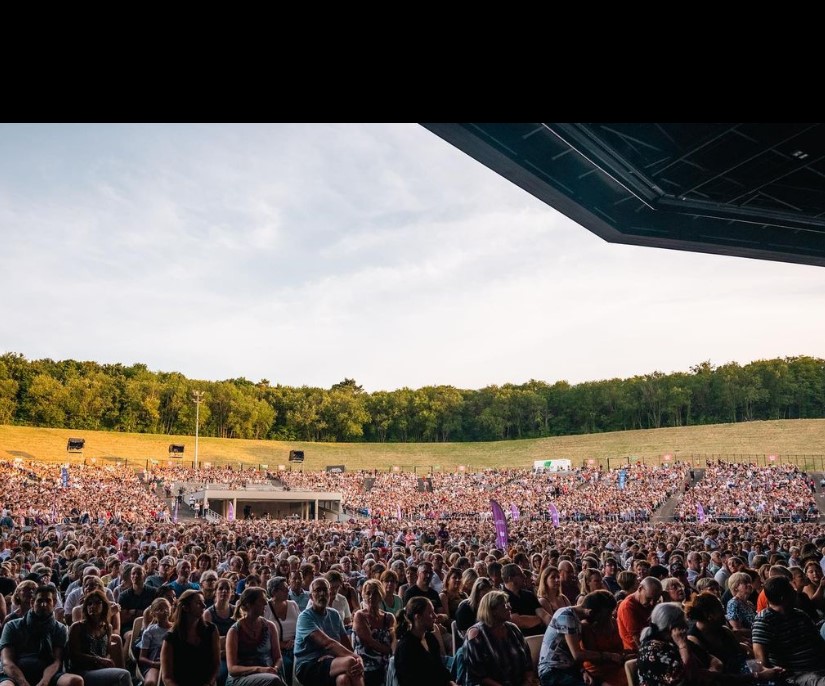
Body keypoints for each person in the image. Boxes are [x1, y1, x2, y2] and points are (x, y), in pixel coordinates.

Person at [0, 585, 82, 686]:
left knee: (75, 681)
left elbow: (56, 661)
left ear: (54, 603)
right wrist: (23, 683)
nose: (43, 604)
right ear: (32, 602)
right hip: (15, 672)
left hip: (49, 673)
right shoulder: (12, 625)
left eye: (48, 601)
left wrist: (45, 681)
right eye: (39, 601)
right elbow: (7, 661)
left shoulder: (59, 628)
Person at [752, 576, 824, 685]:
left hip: (819, 667)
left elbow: (819, 643)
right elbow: (760, 660)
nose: (795, 592)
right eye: (791, 590)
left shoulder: (799, 614)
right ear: (783, 598)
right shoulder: (764, 621)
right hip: (797, 676)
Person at [294, 577, 364, 686]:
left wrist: (353, 655)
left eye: (325, 590)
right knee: (351, 662)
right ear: (311, 596)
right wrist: (357, 658)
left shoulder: (334, 614)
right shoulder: (305, 617)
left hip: (332, 662)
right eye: (318, 590)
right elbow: (328, 644)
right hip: (309, 665)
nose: (322, 594)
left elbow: (346, 644)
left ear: (329, 593)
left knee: (343, 679)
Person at [537, 599, 621, 686]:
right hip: (552, 671)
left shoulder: (577, 618)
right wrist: (609, 656)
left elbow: (573, 656)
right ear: (590, 612)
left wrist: (582, 671)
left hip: (570, 668)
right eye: (600, 618)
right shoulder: (567, 616)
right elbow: (577, 655)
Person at [464, 590, 532, 686]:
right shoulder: (476, 635)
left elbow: (528, 664)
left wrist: (527, 682)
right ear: (492, 611)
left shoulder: (513, 629)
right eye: (504, 605)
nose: (509, 607)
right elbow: (476, 675)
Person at [66, 589, 131, 686]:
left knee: (119, 676)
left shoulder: (107, 627)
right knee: (124, 674)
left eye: (97, 603)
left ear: (104, 606)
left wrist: (106, 660)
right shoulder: (77, 627)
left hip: (100, 669)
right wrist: (98, 659)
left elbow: (107, 652)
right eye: (89, 603)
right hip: (82, 671)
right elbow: (73, 655)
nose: (92, 606)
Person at [225, 587, 284, 686]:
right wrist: (259, 669)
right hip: (241, 677)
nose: (266, 603)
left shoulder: (270, 626)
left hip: (269, 673)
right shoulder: (235, 631)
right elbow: (232, 669)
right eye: (262, 601)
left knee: (274, 678)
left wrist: (275, 668)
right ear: (249, 604)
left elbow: (278, 657)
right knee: (273, 680)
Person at [160, 590, 220, 686]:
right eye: (198, 603)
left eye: (203, 602)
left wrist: (209, 683)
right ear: (186, 608)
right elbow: (167, 677)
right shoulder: (171, 637)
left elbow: (216, 664)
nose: (204, 606)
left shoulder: (211, 630)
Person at [393, 597, 456, 686]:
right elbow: (411, 681)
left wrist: (451, 682)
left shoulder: (430, 638)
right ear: (418, 617)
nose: (435, 616)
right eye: (430, 613)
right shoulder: (406, 647)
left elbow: (440, 669)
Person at [636, 602, 694, 686]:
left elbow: (702, 655)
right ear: (672, 628)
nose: (687, 628)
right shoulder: (653, 650)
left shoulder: (672, 641)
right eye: (683, 624)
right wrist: (683, 646)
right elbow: (684, 680)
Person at [578, 590, 627, 686]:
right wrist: (611, 656)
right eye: (608, 612)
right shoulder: (586, 626)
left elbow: (620, 648)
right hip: (597, 671)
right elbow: (594, 659)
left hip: (616, 666)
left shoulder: (612, 621)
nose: (611, 614)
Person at [352, 580, 394, 686]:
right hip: (365, 662)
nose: (371, 596)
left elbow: (394, 640)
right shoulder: (360, 615)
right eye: (368, 593)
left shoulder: (389, 617)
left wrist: (393, 653)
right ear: (363, 595)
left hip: (386, 661)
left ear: (381, 595)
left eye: (375, 593)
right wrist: (389, 650)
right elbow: (370, 642)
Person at [263, 578, 298, 685]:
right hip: (275, 649)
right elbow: (263, 634)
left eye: (288, 588)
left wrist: (296, 641)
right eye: (284, 589)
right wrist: (281, 645)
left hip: (295, 646)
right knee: (286, 664)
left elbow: (301, 626)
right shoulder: (265, 608)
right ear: (274, 592)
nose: (288, 591)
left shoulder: (293, 604)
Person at [502, 563, 548, 637]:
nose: (524, 576)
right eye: (520, 574)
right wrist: (541, 619)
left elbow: (544, 614)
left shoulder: (528, 594)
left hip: (540, 635)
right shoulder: (502, 598)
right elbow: (519, 622)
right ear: (510, 579)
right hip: (521, 639)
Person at [617, 576, 661, 651]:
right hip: (636, 650)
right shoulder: (627, 606)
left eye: (655, 600)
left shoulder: (648, 603)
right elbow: (637, 639)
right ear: (640, 588)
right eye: (649, 598)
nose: (652, 603)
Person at [137, 598, 172, 686]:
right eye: (160, 609)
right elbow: (142, 658)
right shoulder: (149, 632)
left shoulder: (176, 628)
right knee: (150, 682)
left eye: (167, 608)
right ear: (153, 613)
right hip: (156, 663)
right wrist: (155, 664)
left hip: (173, 662)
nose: (165, 611)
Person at [725, 571, 756, 641]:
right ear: (735, 587)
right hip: (749, 640)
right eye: (745, 583)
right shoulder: (733, 603)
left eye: (750, 582)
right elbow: (737, 630)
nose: (749, 585)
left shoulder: (749, 603)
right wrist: (757, 631)